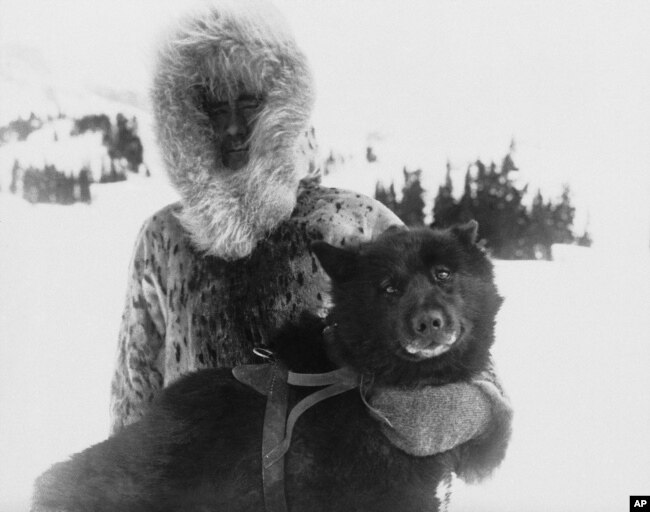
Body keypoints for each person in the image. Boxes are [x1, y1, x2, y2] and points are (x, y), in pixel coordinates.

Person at [110, 0, 511, 491]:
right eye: (215, 110)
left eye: (250, 104)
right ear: (186, 124)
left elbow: (460, 346)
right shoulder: (162, 239)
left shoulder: (350, 220)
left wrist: (469, 408)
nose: (233, 127)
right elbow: (136, 384)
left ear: (284, 107)